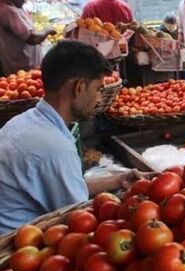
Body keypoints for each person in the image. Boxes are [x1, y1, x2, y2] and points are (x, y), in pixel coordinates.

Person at [0, 41, 152, 234]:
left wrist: (119, 179)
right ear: (79, 87)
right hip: (14, 249)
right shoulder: (54, 148)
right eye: (97, 89)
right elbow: (81, 218)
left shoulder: (25, 122)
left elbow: (67, 185)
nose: (98, 99)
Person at [0, 0, 56, 75]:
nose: (25, 1)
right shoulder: (9, 11)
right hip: (23, 64)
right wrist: (47, 30)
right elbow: (33, 39)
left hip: (21, 61)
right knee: (28, 82)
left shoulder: (11, 6)